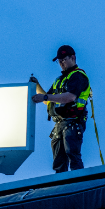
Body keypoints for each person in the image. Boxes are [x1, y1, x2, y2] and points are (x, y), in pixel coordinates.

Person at [30, 45, 91, 173]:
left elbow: (70, 97)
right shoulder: (59, 80)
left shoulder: (78, 76)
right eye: (59, 61)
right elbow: (48, 100)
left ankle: (78, 186)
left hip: (72, 123)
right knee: (59, 163)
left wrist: (45, 96)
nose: (61, 63)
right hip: (60, 125)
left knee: (73, 157)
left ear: (73, 58)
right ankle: (62, 189)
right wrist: (36, 86)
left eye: (64, 59)